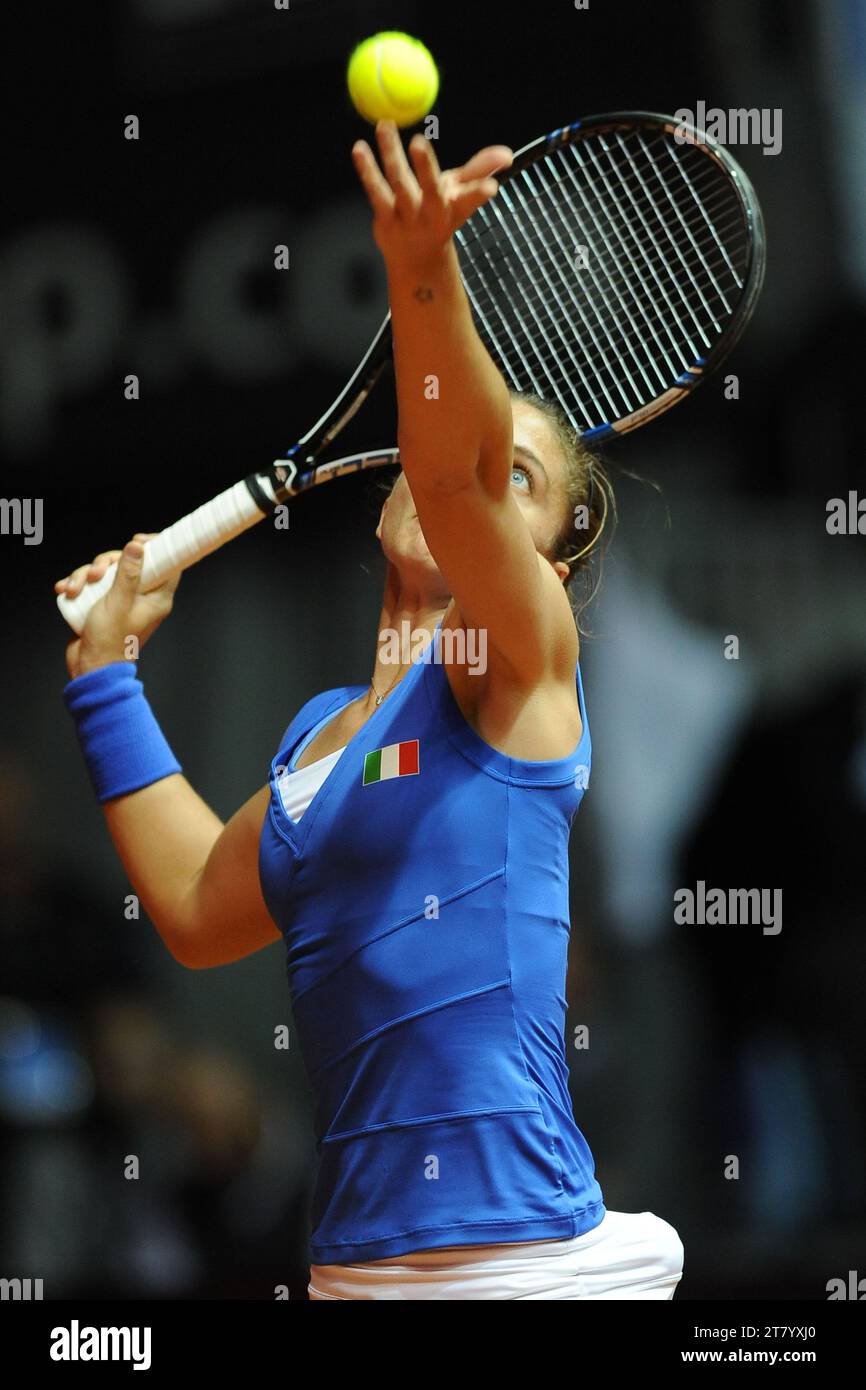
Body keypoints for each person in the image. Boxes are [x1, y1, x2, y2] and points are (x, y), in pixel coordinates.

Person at [57, 119, 684, 1299]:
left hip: (530, 1270)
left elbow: (453, 476)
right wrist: (106, 677)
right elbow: (196, 905)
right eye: (481, 460)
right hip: (355, 1275)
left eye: (520, 482)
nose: (474, 483)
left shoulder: (522, 671)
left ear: (541, 568)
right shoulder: (318, 738)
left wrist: (420, 266)